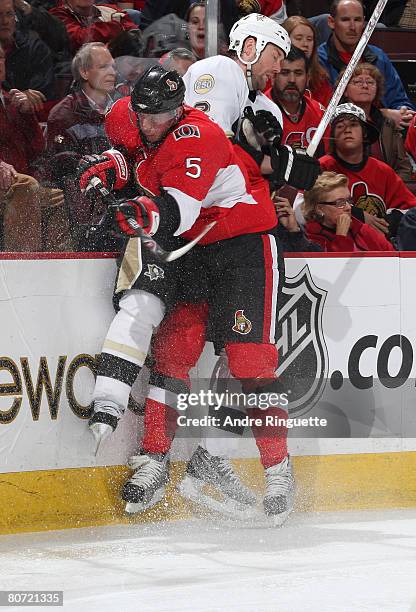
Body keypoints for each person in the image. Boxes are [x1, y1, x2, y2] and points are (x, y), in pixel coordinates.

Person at [80, 58, 316, 525]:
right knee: (173, 352)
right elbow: (135, 152)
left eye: (162, 115)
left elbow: (179, 210)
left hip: (242, 244)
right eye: (145, 114)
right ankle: (153, 457)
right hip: (193, 249)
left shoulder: (199, 135)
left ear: (181, 106)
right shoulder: (139, 118)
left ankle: (277, 470)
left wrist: (143, 211)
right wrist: (114, 164)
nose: (151, 123)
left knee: (251, 359)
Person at [41, 43, 119, 249]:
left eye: (112, 66)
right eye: (103, 67)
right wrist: (83, 164)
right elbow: (57, 166)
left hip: (116, 188)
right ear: (84, 72)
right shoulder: (63, 114)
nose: (112, 72)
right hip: (82, 194)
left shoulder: (123, 108)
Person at [0, 43, 69, 251]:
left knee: (57, 196)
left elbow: (38, 149)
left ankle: (57, 266)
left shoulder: (10, 99)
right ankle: (23, 264)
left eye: (1, 58)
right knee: (26, 186)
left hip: (12, 178)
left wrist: (27, 113)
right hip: (12, 179)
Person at [319, 103, 416, 237]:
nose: (347, 130)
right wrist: (358, 216)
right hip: (334, 244)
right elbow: (310, 208)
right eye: (340, 126)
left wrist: (388, 223)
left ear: (364, 133)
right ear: (333, 135)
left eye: (353, 125)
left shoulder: (383, 171)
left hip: (380, 247)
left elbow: (410, 210)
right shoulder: (322, 167)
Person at [317, 0, 416, 123]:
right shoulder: (318, 60)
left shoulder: (379, 57)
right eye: (346, 20)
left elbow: (399, 101)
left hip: (382, 132)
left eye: (358, 20)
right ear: (332, 22)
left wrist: (403, 113)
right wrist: (382, 114)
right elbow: (322, 111)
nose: (352, 27)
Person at [339, 63, 413, 182]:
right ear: (345, 91)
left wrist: (390, 189)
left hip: (387, 191)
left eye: (370, 82)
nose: (365, 86)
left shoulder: (388, 124)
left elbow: (404, 168)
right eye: (357, 82)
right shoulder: (336, 124)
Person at [303, 171, 395, 251]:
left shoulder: (362, 230)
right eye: (340, 203)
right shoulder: (309, 240)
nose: (348, 207)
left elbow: (393, 259)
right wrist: (341, 236)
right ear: (319, 209)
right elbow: (334, 269)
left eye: (349, 201)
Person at [265, 46, 328, 154]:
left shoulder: (319, 113)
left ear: (308, 78)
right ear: (273, 76)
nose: (292, 80)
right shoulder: (260, 109)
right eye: (285, 73)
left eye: (298, 73)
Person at [0, 0, 55, 104]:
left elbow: (42, 95)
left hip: (27, 115)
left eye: (9, 14)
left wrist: (26, 98)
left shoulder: (34, 47)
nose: (5, 21)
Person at [50, 0, 137, 55]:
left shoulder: (111, 10)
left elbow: (134, 35)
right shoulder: (58, 15)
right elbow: (79, 39)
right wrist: (114, 27)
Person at [282, 15, 333, 107]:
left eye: (309, 39)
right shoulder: (272, 73)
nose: (305, 44)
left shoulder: (321, 79)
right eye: (298, 38)